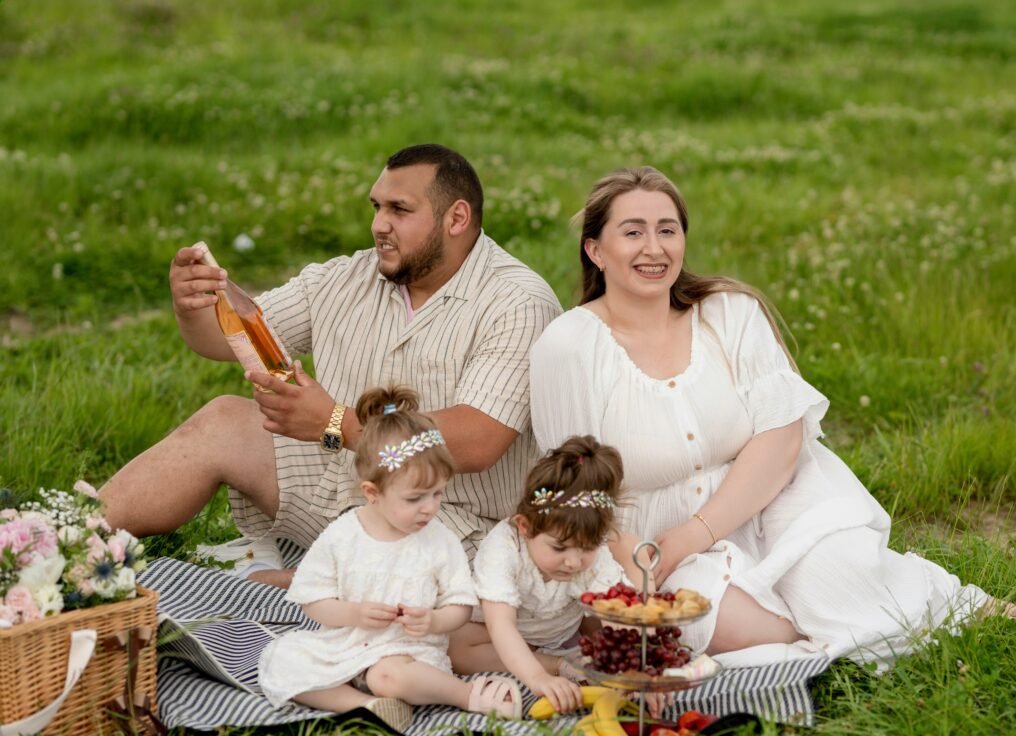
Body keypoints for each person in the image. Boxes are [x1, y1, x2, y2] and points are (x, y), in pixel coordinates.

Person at [529, 166, 1016, 669]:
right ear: (595, 250)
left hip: (767, 500)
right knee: (717, 623)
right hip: (648, 544)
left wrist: (698, 532)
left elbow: (781, 437)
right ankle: (841, 629)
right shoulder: (569, 347)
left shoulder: (728, 313)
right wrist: (635, 568)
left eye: (667, 230)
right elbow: (574, 486)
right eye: (633, 232)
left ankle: (928, 601)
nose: (654, 248)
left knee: (839, 578)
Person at [99, 144, 562, 586]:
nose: (379, 224)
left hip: (449, 526)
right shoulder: (348, 276)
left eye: (399, 210)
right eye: (376, 207)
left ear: (456, 218)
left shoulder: (517, 301)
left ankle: (298, 582)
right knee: (223, 421)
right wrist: (191, 305)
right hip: (342, 485)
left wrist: (337, 422)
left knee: (418, 589)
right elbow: (229, 340)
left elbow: (477, 440)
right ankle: (73, 539)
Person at [258, 385, 523, 732]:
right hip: (346, 645)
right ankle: (366, 707)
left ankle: (468, 695)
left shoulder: (439, 540)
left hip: (408, 653)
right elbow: (313, 601)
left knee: (388, 676)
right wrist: (354, 613)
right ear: (373, 492)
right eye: (415, 498)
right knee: (282, 659)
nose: (429, 507)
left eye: (437, 493)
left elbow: (460, 605)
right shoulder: (343, 534)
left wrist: (433, 621)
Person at [449, 435, 638, 715]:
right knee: (456, 647)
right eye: (559, 547)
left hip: (565, 625)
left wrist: (638, 668)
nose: (573, 561)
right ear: (525, 527)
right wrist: (538, 678)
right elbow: (501, 626)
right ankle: (555, 663)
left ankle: (588, 657)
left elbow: (622, 614)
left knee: (622, 621)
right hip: (509, 630)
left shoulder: (591, 557)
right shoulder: (504, 547)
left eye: (586, 548)